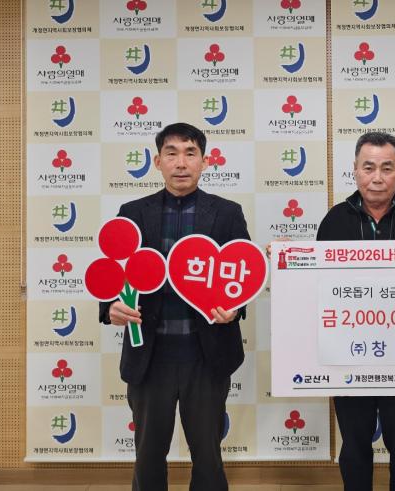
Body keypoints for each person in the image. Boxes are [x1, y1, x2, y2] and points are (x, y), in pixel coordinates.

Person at [99, 122, 249, 491]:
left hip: (206, 355)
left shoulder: (227, 213)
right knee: (148, 456)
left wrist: (234, 308)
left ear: (205, 161)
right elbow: (113, 272)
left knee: (208, 457)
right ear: (157, 161)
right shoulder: (133, 211)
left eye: (190, 153)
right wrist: (110, 307)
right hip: (150, 356)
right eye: (172, 153)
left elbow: (242, 276)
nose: (181, 163)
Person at [317, 132, 395, 491]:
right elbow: (317, 285)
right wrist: (286, 260)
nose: (377, 177)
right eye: (368, 167)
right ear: (355, 170)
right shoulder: (335, 220)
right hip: (349, 354)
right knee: (354, 443)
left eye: (387, 168)